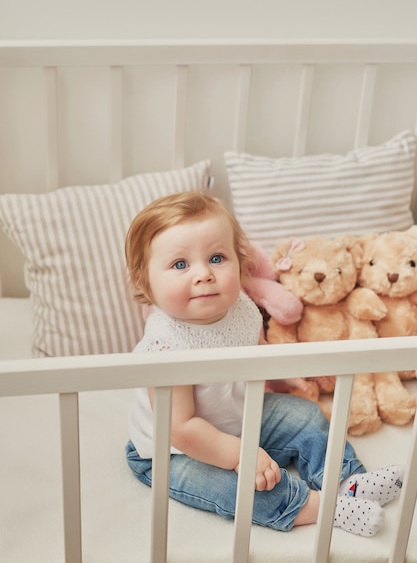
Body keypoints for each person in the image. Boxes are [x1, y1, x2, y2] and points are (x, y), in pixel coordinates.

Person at [124, 191, 403, 537]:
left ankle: (348, 480)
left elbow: (255, 347)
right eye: (180, 265)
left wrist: (284, 378)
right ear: (143, 282)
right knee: (239, 488)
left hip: (239, 418)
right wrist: (241, 454)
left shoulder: (239, 306)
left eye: (216, 258)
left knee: (306, 416)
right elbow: (181, 428)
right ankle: (322, 507)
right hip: (174, 451)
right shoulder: (166, 348)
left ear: (240, 262)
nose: (204, 275)